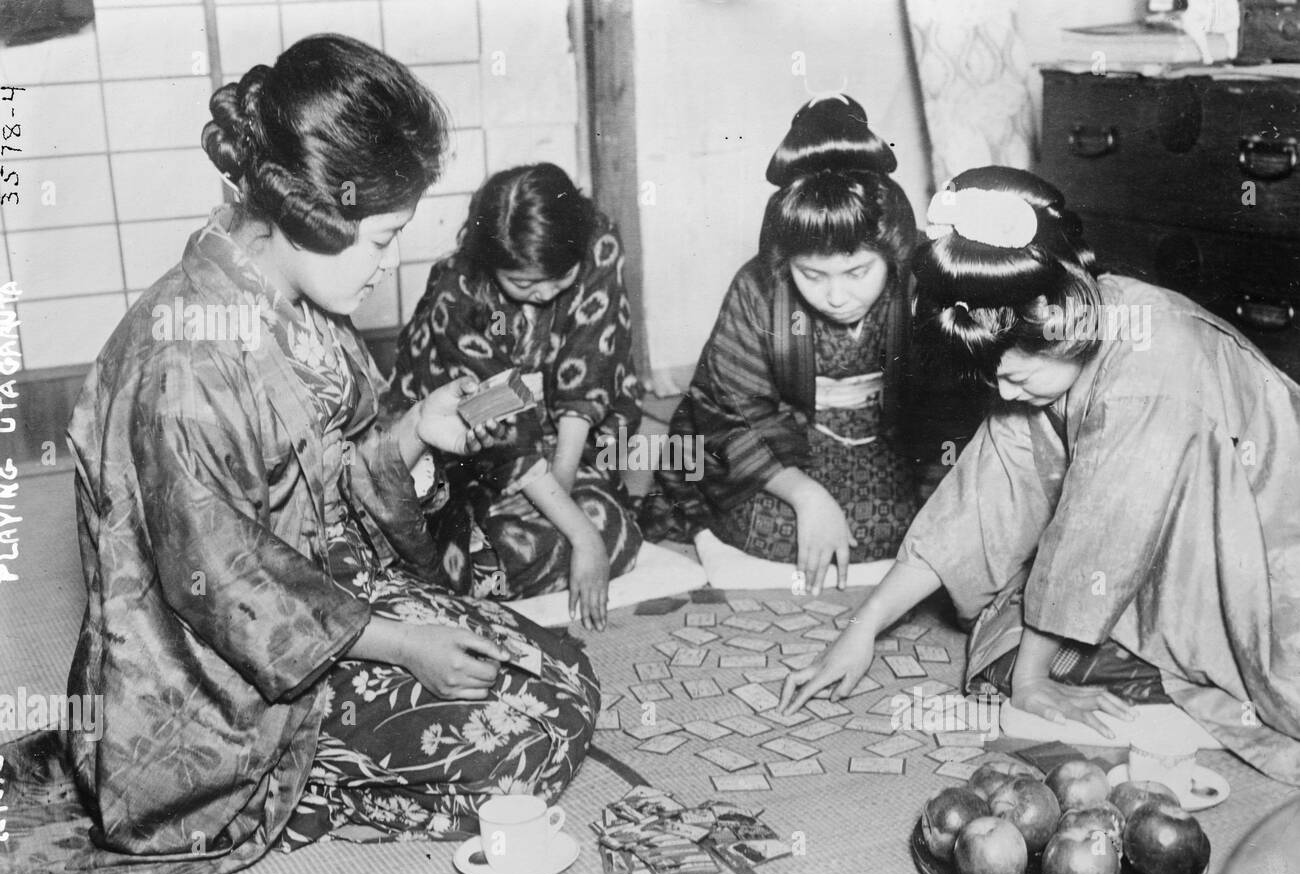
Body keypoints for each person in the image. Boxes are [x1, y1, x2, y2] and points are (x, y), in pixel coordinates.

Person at [0, 35, 600, 874]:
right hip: (218, 689)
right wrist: (402, 643)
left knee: (565, 673)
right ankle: (283, 799)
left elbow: (337, 475)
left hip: (327, 603)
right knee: (526, 739)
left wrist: (415, 436)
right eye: (384, 238)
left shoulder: (292, 295)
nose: (390, 263)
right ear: (315, 214)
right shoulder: (185, 361)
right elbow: (226, 584)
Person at [782, 165, 1300, 788]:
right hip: (1148, 539)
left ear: (1060, 316)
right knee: (1007, 645)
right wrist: (861, 629)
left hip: (1266, 554)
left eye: (1016, 377)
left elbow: (1096, 539)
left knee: (1036, 665)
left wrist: (1031, 681)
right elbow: (979, 500)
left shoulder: (1153, 364)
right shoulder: (1049, 340)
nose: (1002, 392)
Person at [642, 95, 936, 597]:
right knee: (772, 526)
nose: (837, 295)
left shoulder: (923, 281)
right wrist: (805, 496)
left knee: (927, 522)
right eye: (812, 274)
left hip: (893, 435)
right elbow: (728, 412)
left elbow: (949, 408)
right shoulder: (758, 289)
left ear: (893, 249)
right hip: (786, 440)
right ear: (785, 261)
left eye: (858, 272)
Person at [389, 163, 643, 630]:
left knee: (615, 526)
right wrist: (582, 537)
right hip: (467, 459)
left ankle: (552, 524)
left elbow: (590, 372)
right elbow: (505, 433)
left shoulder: (598, 244)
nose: (544, 293)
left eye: (559, 279)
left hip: (553, 444)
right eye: (523, 284)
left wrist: (563, 489)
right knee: (459, 556)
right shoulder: (459, 294)